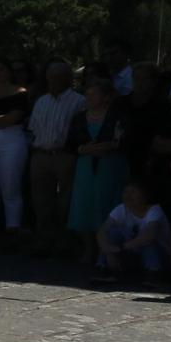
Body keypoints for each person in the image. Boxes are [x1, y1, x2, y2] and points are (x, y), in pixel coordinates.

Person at [65, 70, 129, 263]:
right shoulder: (79, 118)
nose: (89, 97)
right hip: (86, 167)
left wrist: (107, 146)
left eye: (94, 94)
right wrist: (85, 149)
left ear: (107, 96)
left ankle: (107, 250)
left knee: (107, 203)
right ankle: (88, 249)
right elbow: (70, 144)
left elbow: (124, 141)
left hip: (111, 166)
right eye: (88, 94)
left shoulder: (117, 116)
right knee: (84, 205)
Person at [26, 60, 84, 254]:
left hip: (64, 156)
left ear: (68, 79)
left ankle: (65, 242)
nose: (53, 81)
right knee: (41, 201)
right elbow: (33, 129)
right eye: (50, 77)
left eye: (58, 77)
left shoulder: (78, 101)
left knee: (66, 202)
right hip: (41, 155)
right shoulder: (41, 101)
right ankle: (44, 240)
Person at [95, 181, 171, 283]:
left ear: (145, 196)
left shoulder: (154, 210)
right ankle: (103, 268)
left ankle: (154, 273)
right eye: (125, 192)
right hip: (133, 254)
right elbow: (102, 231)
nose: (128, 196)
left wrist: (120, 248)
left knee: (147, 242)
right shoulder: (121, 209)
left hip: (159, 256)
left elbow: (150, 235)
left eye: (133, 192)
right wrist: (108, 252)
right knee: (112, 233)